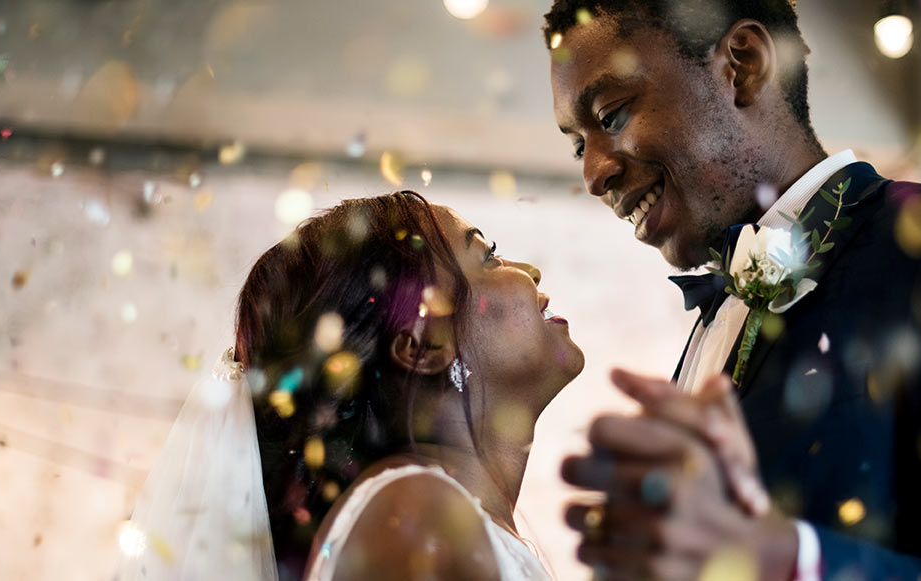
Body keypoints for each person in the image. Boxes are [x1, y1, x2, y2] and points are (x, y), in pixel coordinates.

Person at [543, 1, 921, 579]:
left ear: (742, 66)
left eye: (612, 114)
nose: (592, 174)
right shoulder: (715, 321)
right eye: (577, 145)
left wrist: (795, 560)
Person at [118, 191, 583, 580]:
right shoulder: (413, 519)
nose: (530, 271)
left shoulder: (434, 518)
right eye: (488, 256)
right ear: (422, 347)